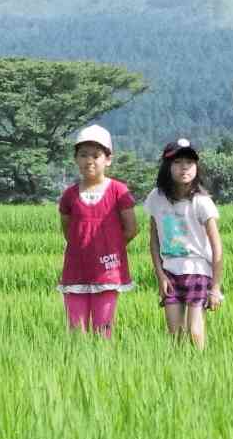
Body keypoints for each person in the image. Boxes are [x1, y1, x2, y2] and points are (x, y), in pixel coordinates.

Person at [56, 124, 137, 337]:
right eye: (82, 155)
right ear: (75, 159)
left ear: (108, 159)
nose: (89, 160)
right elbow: (68, 230)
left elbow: (131, 228)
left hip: (108, 270)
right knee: (76, 329)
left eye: (96, 155)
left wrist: (110, 247)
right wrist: (84, 247)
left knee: (104, 328)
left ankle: (105, 367)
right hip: (75, 269)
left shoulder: (119, 191)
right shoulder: (69, 195)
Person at [143, 138, 223, 348]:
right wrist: (160, 275)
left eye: (189, 162)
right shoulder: (156, 198)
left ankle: (200, 370)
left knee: (195, 332)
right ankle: (181, 373)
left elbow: (217, 247)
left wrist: (215, 288)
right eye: (177, 162)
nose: (184, 167)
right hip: (170, 271)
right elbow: (153, 240)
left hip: (197, 270)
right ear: (167, 167)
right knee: (175, 333)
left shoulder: (201, 201)